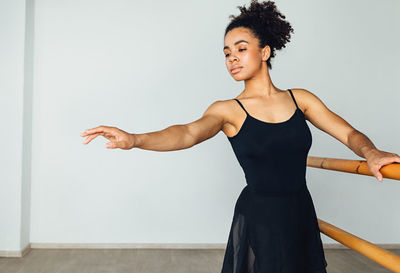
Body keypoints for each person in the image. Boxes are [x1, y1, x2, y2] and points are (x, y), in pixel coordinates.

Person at [80, 0, 400, 272]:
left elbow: (348, 133)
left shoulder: (301, 99)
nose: (232, 57)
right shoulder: (228, 110)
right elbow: (187, 133)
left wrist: (370, 153)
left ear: (265, 51)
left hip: (301, 210)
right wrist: (135, 139)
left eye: (241, 49)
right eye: (226, 52)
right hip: (260, 215)